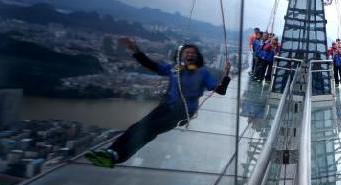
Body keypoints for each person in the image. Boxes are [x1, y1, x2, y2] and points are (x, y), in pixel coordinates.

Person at [85, 37, 231, 168]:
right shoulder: (175, 69)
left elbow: (220, 90)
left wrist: (226, 74)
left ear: (197, 56)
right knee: (138, 127)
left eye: (193, 52)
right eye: (187, 52)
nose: (190, 54)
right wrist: (135, 50)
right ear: (181, 55)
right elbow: (151, 65)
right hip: (166, 106)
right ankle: (111, 151)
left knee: (149, 129)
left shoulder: (203, 73)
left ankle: (117, 156)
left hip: (182, 111)